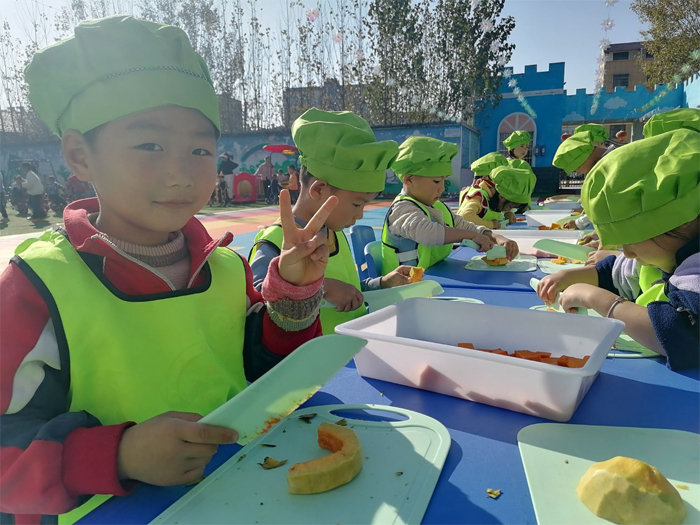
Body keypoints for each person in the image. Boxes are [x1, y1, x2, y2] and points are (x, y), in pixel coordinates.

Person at [0, 16, 336, 523]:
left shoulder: (225, 266)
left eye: (200, 150)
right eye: (150, 146)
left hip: (240, 494)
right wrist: (119, 455)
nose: (181, 174)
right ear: (79, 155)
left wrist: (294, 291)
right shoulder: (37, 287)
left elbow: (266, 374)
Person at [537, 128, 698, 370]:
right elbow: (615, 272)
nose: (627, 252)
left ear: (679, 220)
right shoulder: (666, 250)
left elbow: (683, 336)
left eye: (631, 241)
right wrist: (567, 276)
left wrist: (598, 299)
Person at [249, 108, 410, 335]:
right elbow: (258, 308)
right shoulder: (273, 242)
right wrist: (321, 287)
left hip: (350, 350)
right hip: (316, 355)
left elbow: (346, 293)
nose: (360, 215)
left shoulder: (334, 232)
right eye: (357, 204)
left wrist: (381, 283)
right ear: (319, 189)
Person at [382, 136, 517, 273]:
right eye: (436, 181)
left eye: (444, 181)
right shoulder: (402, 209)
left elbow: (463, 225)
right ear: (409, 180)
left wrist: (494, 237)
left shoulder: (436, 206)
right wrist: (472, 236)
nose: (442, 188)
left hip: (433, 275)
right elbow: (429, 233)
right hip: (404, 283)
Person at [457, 164, 536, 229]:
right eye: (510, 207)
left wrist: (507, 213)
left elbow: (503, 204)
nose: (509, 209)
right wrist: (491, 224)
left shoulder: (495, 198)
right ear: (501, 196)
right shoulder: (479, 198)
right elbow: (464, 217)